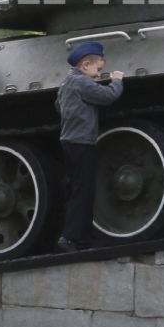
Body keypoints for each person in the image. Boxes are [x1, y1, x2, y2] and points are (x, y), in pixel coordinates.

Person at [54, 41, 125, 251]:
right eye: (97, 70)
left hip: (69, 140)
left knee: (81, 189)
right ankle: (70, 238)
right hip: (82, 141)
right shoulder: (82, 83)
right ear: (85, 65)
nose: (97, 76)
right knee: (83, 191)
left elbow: (58, 106)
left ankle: (82, 237)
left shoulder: (66, 83)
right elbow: (107, 96)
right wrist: (117, 81)